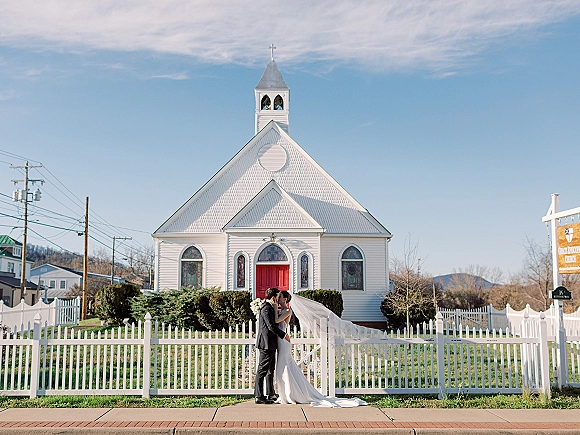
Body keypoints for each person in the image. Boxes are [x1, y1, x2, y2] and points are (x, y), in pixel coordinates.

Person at [273, 291, 366, 407]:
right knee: (284, 366)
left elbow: (276, 321)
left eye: (280, 297)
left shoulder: (287, 311)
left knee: (284, 365)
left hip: (284, 341)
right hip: (280, 340)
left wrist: (274, 307)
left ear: (285, 299)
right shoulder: (280, 311)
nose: (278, 299)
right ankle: (287, 392)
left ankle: (290, 393)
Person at [254, 287, 290, 404]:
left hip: (271, 343)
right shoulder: (266, 308)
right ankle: (259, 396)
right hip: (266, 343)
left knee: (270, 370)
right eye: (278, 296)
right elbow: (271, 326)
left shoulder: (271, 307)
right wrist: (284, 335)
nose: (279, 298)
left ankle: (271, 394)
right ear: (274, 297)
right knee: (262, 370)